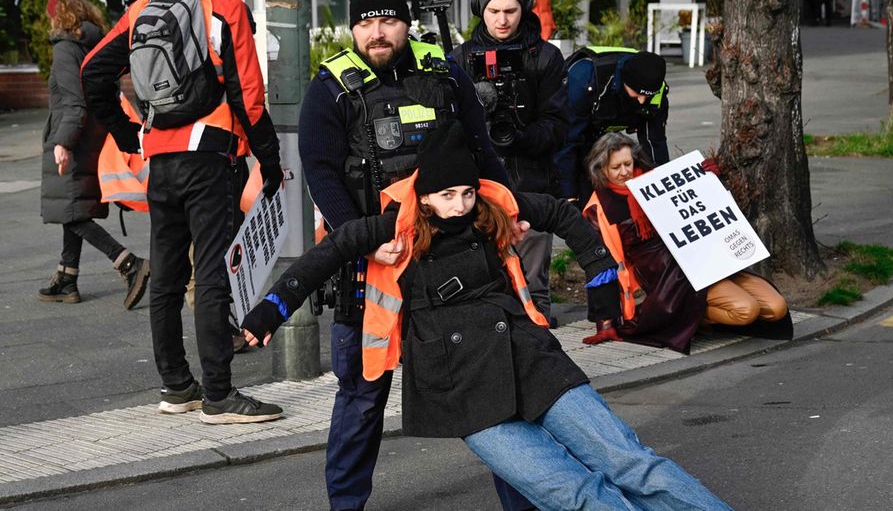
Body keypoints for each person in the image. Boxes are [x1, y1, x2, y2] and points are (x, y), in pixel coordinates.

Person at [241, 120, 732, 511]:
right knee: (574, 494)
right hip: (458, 385)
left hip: (531, 359)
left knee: (630, 463)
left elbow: (562, 215)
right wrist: (268, 313)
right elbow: (316, 262)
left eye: (467, 193)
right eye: (446, 195)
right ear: (425, 194)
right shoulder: (393, 229)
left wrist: (601, 272)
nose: (458, 206)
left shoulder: (491, 211)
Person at [297, 0, 524, 509]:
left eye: (389, 20)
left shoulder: (444, 73)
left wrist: (509, 213)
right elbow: (322, 175)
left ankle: (525, 496)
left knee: (490, 386)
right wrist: (361, 244)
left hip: (453, 263)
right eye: (366, 22)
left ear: (407, 22)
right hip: (372, 268)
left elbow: (481, 151)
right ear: (353, 27)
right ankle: (345, 504)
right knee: (361, 394)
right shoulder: (330, 86)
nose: (378, 33)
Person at [82, 0, 284, 423]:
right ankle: (219, 395)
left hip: (161, 161)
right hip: (210, 157)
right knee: (211, 276)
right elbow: (248, 96)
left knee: (169, 277)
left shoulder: (142, 8)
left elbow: (92, 71)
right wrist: (268, 162)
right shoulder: (223, 5)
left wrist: (128, 133)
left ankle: (176, 387)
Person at [580, 132, 791, 351]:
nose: (624, 172)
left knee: (777, 308)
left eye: (628, 164)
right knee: (746, 310)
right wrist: (606, 322)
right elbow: (600, 267)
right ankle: (689, 316)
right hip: (669, 277)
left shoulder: (658, 180)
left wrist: (708, 182)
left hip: (704, 257)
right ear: (601, 168)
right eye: (616, 167)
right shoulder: (599, 208)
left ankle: (688, 314)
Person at [453, 0, 567, 320]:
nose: (502, 20)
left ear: (524, 9)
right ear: (480, 10)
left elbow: (557, 125)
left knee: (533, 292)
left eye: (510, 11)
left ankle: (540, 348)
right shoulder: (460, 59)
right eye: (494, 11)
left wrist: (521, 137)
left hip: (531, 182)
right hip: (477, 187)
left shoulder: (545, 57)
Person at [38, 0, 150, 310]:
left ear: (58, 17)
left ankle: (128, 263)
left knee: (72, 213)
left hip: (74, 138)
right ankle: (67, 277)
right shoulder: (96, 43)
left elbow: (74, 103)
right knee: (74, 208)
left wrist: (62, 142)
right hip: (95, 137)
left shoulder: (64, 50)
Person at [558, 48, 671, 206]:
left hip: (607, 130)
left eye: (648, 96)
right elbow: (566, 142)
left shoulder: (656, 91)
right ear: (625, 82)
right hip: (576, 126)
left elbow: (655, 143)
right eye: (637, 93)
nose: (642, 101)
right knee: (580, 192)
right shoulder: (584, 79)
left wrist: (663, 188)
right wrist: (568, 196)